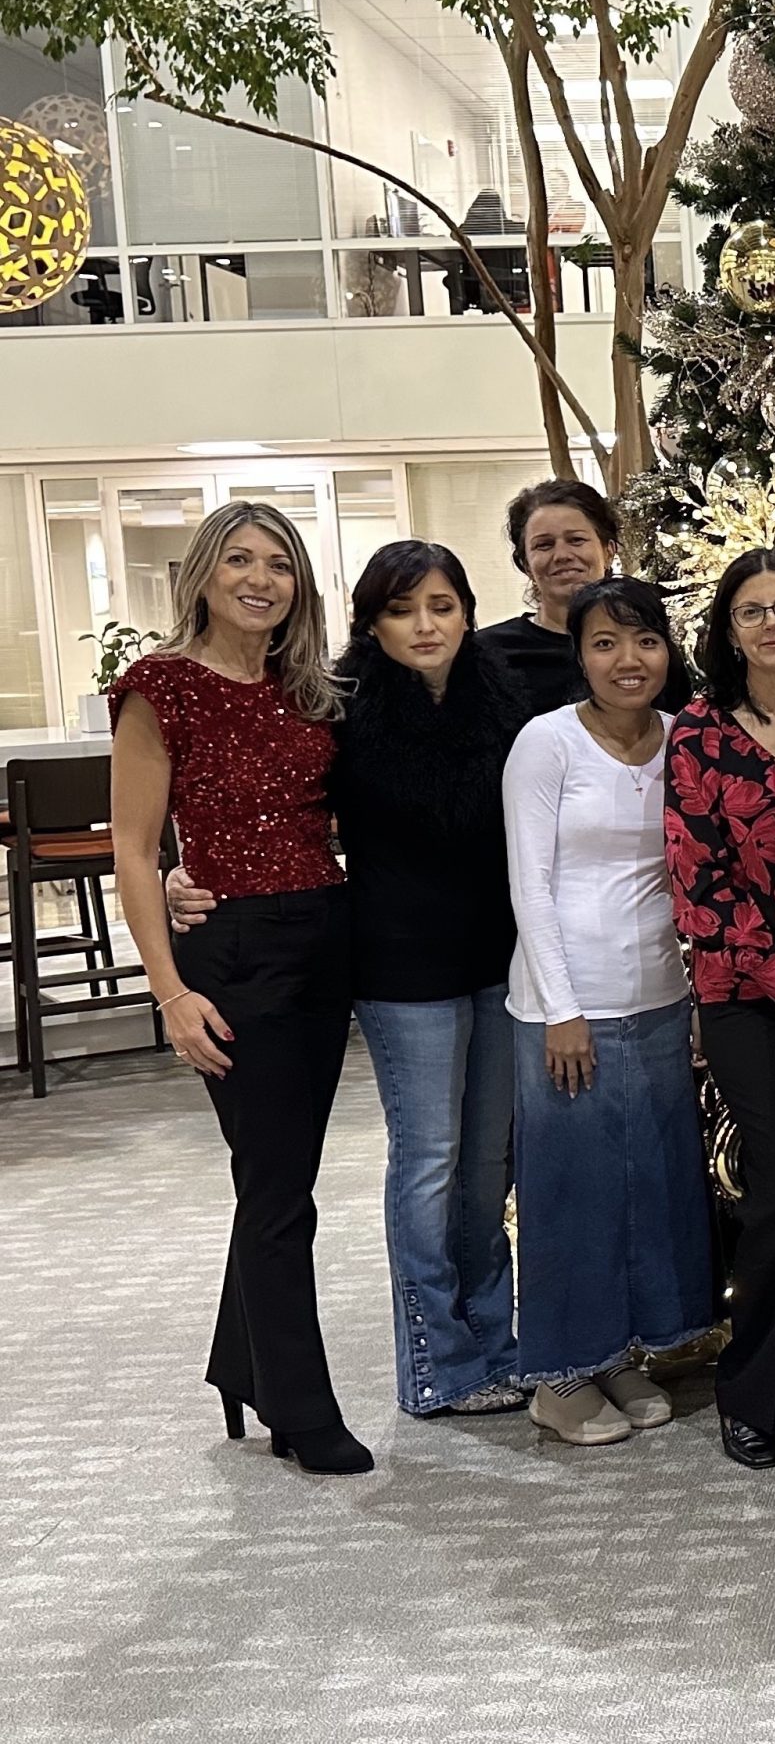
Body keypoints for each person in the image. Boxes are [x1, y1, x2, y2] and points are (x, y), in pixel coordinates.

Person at [168, 540, 534, 1421]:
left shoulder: (504, 698)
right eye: (405, 609)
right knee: (431, 1161)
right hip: (398, 964)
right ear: (373, 622)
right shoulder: (341, 705)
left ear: (467, 612)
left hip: (500, 958)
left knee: (488, 1167)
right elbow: (255, 798)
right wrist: (181, 871)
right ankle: (438, 1363)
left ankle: (496, 1341)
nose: (426, 624)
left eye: (442, 605)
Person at [107, 503, 369, 1474]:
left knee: (278, 1174)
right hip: (233, 952)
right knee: (278, 1190)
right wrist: (169, 993)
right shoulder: (159, 687)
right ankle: (301, 1409)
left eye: (280, 564)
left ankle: (239, 1360)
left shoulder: (312, 692)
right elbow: (135, 853)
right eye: (239, 560)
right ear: (205, 575)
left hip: (322, 938)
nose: (260, 578)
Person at [503, 576, 715, 1446]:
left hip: (659, 998)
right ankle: (558, 1378)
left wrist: (700, 993)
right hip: (568, 1004)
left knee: (648, 1185)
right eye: (604, 643)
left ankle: (618, 1354)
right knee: (571, 1193)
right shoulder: (545, 744)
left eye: (645, 642)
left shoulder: (683, 738)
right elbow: (531, 882)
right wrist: (562, 1008)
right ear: (579, 655)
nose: (628, 661)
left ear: (669, 651)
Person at [663, 547, 775, 1470]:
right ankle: (757, 1391)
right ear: (728, 631)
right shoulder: (699, 733)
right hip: (749, 997)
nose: (772, 623)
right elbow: (703, 888)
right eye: (751, 611)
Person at [480, 477, 683, 714]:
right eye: (544, 545)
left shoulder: (651, 649)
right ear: (525, 564)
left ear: (609, 551)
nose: (562, 555)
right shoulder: (490, 653)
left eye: (576, 540)